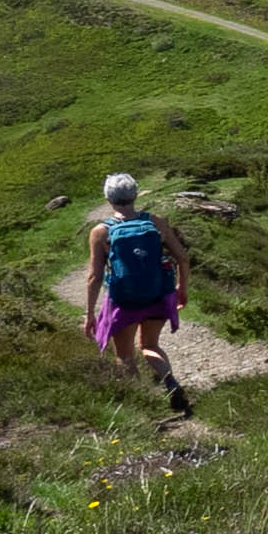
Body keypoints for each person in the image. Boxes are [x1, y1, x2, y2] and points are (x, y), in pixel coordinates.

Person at [86, 171, 192, 412]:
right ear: (135, 195)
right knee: (150, 345)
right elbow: (183, 258)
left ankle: (140, 406)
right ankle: (170, 382)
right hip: (157, 295)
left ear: (108, 198)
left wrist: (90, 312)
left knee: (125, 355)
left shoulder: (101, 232)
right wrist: (181, 288)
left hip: (124, 302)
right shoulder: (155, 222)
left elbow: (95, 276)